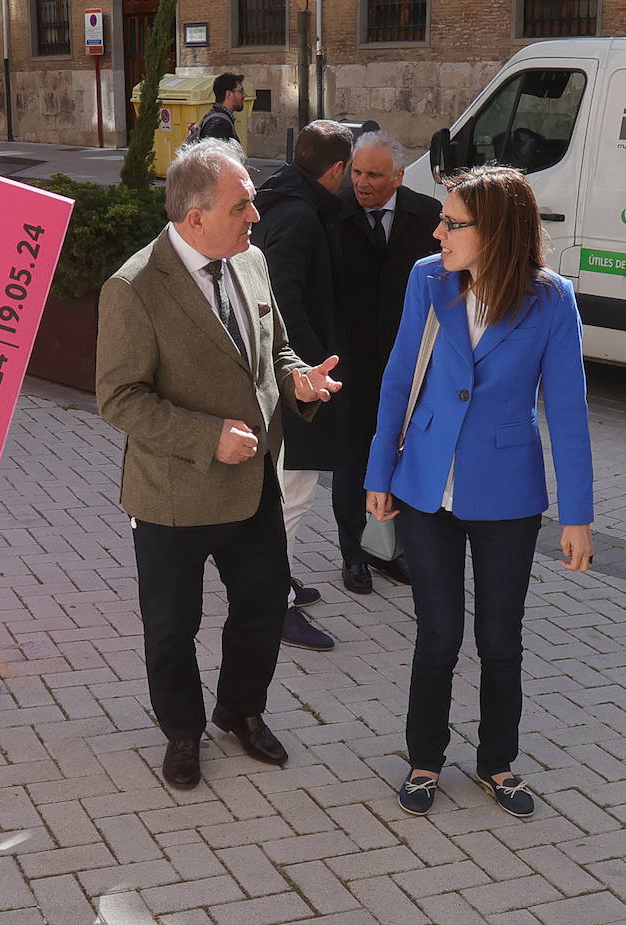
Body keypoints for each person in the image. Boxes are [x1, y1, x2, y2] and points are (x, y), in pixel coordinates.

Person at [96, 139, 341, 790]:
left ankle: (240, 708)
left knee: (262, 606)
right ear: (194, 216)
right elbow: (118, 398)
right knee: (173, 629)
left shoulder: (252, 262)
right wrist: (207, 436)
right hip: (174, 493)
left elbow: (276, 350)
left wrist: (299, 382)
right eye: (244, 206)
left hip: (250, 485)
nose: (256, 218)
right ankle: (183, 728)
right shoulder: (133, 288)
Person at [364, 165, 593, 819]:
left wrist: (577, 514)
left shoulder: (552, 301)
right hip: (425, 487)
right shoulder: (426, 280)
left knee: (500, 638)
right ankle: (424, 758)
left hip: (507, 497)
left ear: (493, 232)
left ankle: (496, 760)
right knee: (438, 634)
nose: (437, 230)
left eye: (452, 222)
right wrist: (379, 474)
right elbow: (396, 379)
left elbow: (570, 414)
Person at [249, 119, 354, 652]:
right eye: (350, 171)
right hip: (294, 385)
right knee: (291, 496)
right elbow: (284, 300)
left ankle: (275, 585)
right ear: (335, 169)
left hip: (281, 381)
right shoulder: (300, 215)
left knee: (283, 493)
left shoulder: (279, 199)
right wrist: (311, 373)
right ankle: (273, 608)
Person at [334, 131, 441, 593]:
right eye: (357, 171)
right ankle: (353, 553)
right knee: (354, 460)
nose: (361, 182)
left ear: (398, 176)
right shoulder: (332, 214)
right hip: (351, 364)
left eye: (374, 175)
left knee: (403, 458)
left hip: (410, 362)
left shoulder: (429, 217)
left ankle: (390, 550)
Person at [197, 73, 245, 144]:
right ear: (229, 94)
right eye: (241, 91)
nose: (244, 95)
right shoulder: (220, 125)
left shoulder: (216, 118)